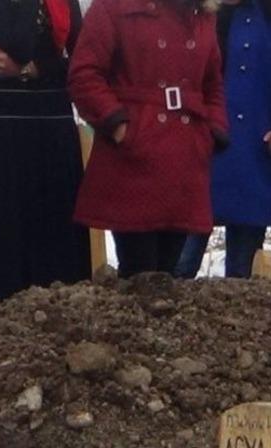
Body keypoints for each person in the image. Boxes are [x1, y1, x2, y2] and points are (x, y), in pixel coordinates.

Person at [0, 0, 92, 317]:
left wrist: (35, 68)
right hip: (0, 136)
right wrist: (44, 62)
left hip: (53, 136)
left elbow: (81, 61)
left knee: (57, 259)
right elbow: (14, 41)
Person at [69, 0, 229, 278]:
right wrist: (119, 126)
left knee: (168, 275)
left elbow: (212, 83)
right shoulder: (114, 7)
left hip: (184, 160)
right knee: (139, 275)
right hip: (133, 162)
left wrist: (212, 130)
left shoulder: (201, 12)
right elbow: (85, 75)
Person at [175, 0, 271, 279]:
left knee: (240, 281)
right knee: (174, 273)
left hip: (252, 159)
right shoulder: (190, 12)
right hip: (193, 157)